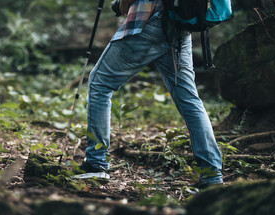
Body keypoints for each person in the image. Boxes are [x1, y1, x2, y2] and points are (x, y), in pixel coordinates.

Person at [74, 0, 223, 188]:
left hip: (149, 21)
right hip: (180, 28)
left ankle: (95, 163)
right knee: (190, 101)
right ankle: (212, 175)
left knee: (99, 83)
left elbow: (125, 6)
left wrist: (120, 5)